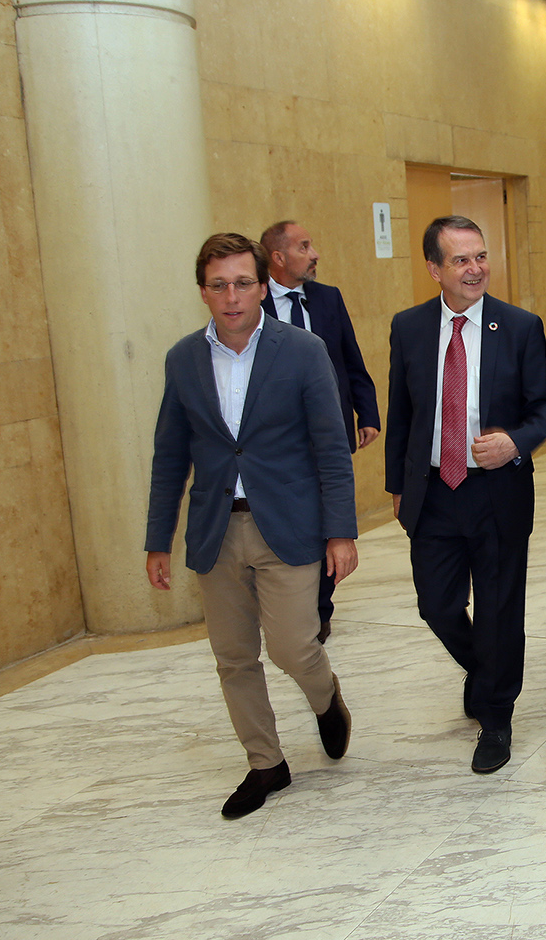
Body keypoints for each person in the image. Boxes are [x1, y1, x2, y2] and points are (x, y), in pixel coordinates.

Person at [145, 233, 357, 819]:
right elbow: (170, 456)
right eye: (219, 285)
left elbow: (330, 447)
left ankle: (326, 698)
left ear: (263, 286)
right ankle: (266, 762)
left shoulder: (303, 350)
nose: (232, 296)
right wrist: (157, 540)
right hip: (217, 529)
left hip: (288, 524)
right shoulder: (184, 359)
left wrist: (341, 531)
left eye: (243, 282)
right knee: (234, 656)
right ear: (203, 291)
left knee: (294, 645)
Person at [385, 216, 546, 774]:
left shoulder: (520, 326)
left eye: (480, 256)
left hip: (497, 491)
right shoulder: (409, 328)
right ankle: (485, 674)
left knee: (500, 609)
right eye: (461, 260)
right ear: (434, 269)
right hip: (434, 491)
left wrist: (514, 442)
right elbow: (403, 413)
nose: (476, 268)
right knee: (436, 604)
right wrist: (397, 486)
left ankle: (497, 716)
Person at [260, 220, 381, 644]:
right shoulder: (254, 304)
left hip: (327, 429)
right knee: (295, 519)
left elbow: (351, 357)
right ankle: (291, 598)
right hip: (276, 439)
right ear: (278, 257)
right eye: (304, 246)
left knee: (330, 515)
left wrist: (367, 412)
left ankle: (320, 607)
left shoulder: (327, 298)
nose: (314, 254)